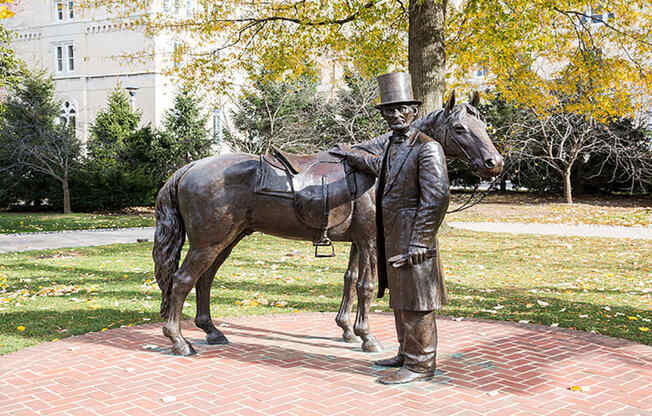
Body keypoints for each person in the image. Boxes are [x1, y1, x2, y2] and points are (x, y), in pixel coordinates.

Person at [330, 72, 449, 384]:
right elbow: (379, 168)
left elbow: (436, 199)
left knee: (417, 302)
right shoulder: (393, 147)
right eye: (388, 110)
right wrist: (349, 153)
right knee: (401, 298)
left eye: (401, 109)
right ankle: (405, 353)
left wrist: (420, 241)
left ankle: (421, 365)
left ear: (413, 110)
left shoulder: (428, 148)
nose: (395, 115)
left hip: (414, 239)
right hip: (393, 238)